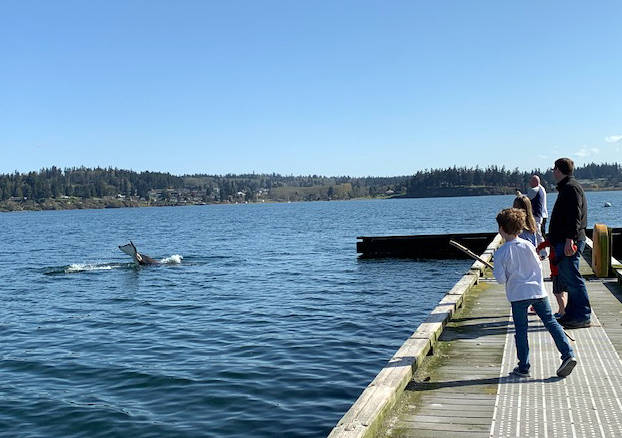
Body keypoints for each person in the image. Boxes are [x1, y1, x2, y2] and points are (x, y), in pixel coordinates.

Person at [493, 208, 576, 378]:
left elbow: (501, 279)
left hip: (518, 295)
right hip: (538, 292)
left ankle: (524, 367)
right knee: (551, 322)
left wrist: (506, 273)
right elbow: (538, 266)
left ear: (501, 229)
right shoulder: (529, 246)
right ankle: (568, 354)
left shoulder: (501, 252)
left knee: (521, 330)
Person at [548, 158, 591, 329]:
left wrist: (569, 239)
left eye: (554, 169)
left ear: (558, 170)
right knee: (569, 279)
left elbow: (575, 216)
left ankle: (582, 316)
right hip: (566, 240)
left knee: (573, 279)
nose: (553, 172)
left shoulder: (571, 188)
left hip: (569, 241)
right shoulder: (568, 187)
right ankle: (572, 314)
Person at [537, 238, 567, 317]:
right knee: (561, 293)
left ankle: (563, 313)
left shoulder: (554, 241)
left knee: (557, 293)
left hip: (556, 273)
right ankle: (561, 310)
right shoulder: (561, 242)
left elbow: (546, 243)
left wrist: (538, 248)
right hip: (560, 272)